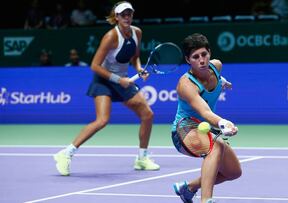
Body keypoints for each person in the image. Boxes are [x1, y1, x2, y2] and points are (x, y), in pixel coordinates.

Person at [54, 1, 160, 176]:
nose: (127, 17)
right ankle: (66, 153)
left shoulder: (137, 33)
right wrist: (118, 79)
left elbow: (135, 57)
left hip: (123, 80)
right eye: (123, 14)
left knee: (147, 114)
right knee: (102, 120)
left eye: (129, 14)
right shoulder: (110, 37)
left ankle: (142, 158)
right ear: (116, 17)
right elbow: (94, 66)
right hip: (104, 80)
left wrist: (139, 68)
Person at [171, 33, 242, 203]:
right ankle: (206, 200)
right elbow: (204, 111)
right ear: (188, 60)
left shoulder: (216, 66)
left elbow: (214, 76)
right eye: (196, 57)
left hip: (206, 129)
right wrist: (222, 122)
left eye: (204, 54)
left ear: (209, 53)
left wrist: (222, 81)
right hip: (184, 129)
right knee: (215, 147)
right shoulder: (186, 84)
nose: (201, 60)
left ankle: (188, 188)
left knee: (234, 172)